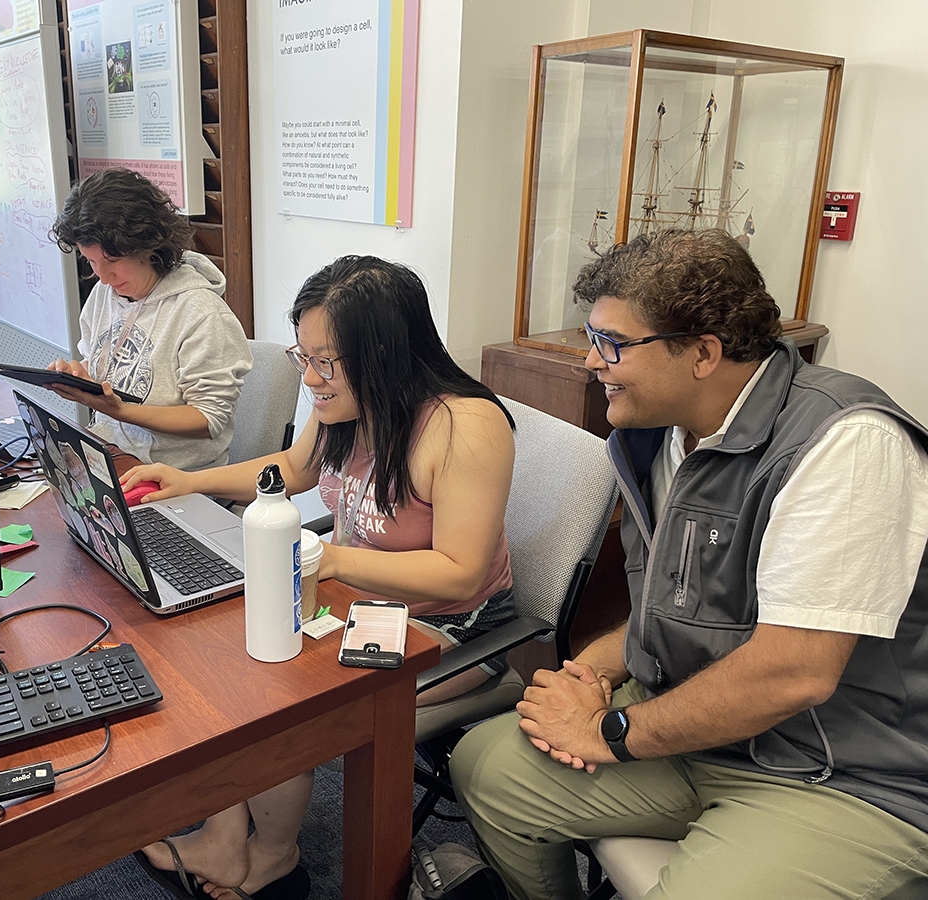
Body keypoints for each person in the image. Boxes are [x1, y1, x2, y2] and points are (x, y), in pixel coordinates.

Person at [451, 229, 928, 900]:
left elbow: (795, 673)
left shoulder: (846, 443)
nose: (592, 362)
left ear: (703, 352)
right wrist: (589, 672)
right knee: (485, 768)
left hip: (838, 772)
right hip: (692, 725)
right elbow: (667, 607)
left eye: (613, 344)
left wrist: (610, 729)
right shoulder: (655, 437)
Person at [121, 255, 517, 898]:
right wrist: (189, 482)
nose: (310, 379)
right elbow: (293, 471)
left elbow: (459, 572)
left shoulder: (465, 426)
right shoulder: (346, 402)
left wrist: (328, 560)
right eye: (303, 359)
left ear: (383, 354)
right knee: (235, 657)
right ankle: (227, 840)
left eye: (324, 362)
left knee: (281, 700)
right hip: (359, 604)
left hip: (453, 630)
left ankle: (273, 853)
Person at [47, 167, 252, 470]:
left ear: (147, 245)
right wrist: (82, 376)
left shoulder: (202, 314)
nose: (103, 277)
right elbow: (107, 365)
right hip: (108, 455)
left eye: (112, 261)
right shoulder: (105, 295)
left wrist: (119, 410)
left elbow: (208, 418)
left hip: (178, 479)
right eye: (91, 261)